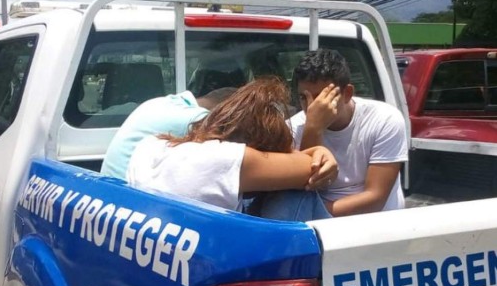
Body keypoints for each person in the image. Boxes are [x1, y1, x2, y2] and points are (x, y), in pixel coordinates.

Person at [126, 77, 338, 221]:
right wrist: (314, 133)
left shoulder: (151, 147)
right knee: (296, 193)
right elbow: (309, 169)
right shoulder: (226, 160)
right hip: (219, 264)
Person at [288, 48, 409, 217]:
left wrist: (312, 213)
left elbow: (375, 197)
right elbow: (303, 189)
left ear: (347, 94)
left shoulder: (384, 119)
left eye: (321, 97)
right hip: (318, 225)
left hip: (375, 222)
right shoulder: (293, 128)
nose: (311, 107)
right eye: (303, 97)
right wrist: (313, 130)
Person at [100, 88, 235, 180]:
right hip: (133, 201)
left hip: (113, 197)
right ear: (225, 111)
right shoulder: (196, 119)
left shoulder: (162, 102)